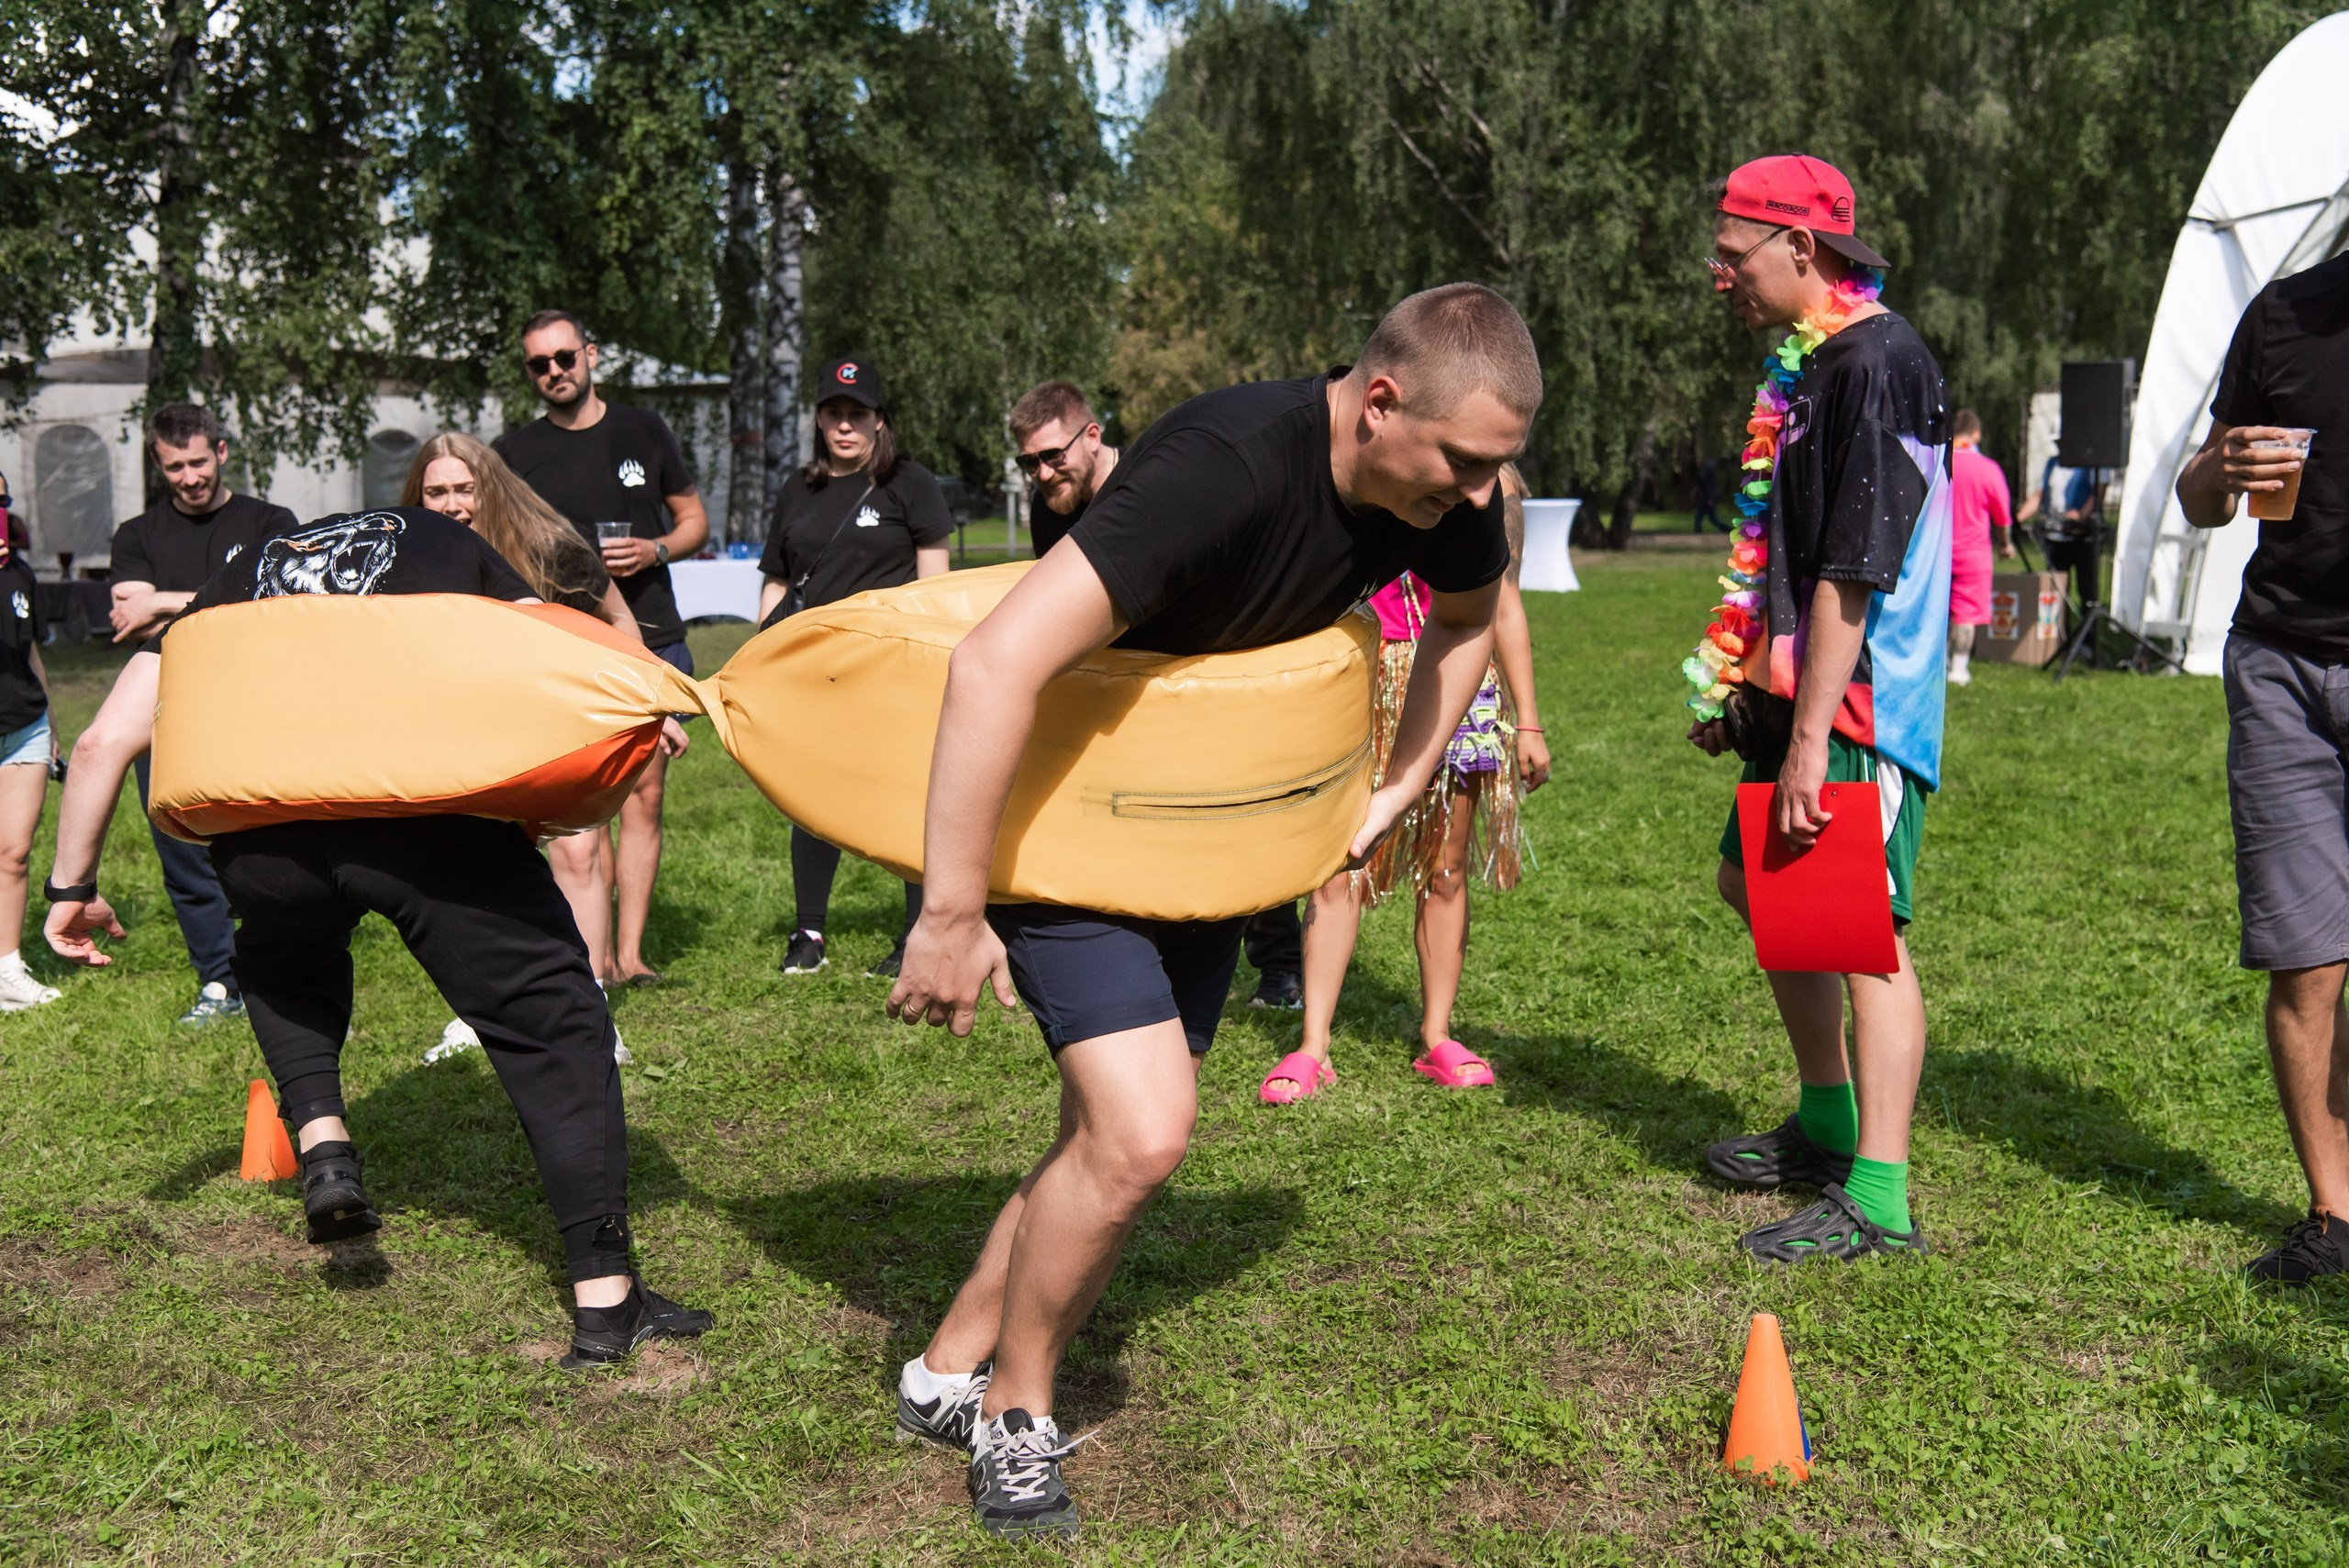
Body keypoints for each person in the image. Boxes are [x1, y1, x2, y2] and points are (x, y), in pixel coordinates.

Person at [885, 284, 1539, 1540]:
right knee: (1142, 1135)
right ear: (1382, 400)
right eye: (1463, 462)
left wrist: (1394, 787)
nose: (1472, 496)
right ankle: (1015, 1413)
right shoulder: (1220, 469)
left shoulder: (1447, 491)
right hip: (1065, 824)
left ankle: (945, 1368)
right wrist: (950, 911)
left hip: (1202, 838)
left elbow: (1463, 621)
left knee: (1104, 1136)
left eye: (1493, 471)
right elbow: (994, 660)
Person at [42, 506, 715, 1365]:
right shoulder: (445, 542)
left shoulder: (240, 572)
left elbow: (102, 741)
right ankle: (606, 1301)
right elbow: (541, 650)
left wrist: (72, 888)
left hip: (262, 837)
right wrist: (636, 698)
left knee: (284, 957)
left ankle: (323, 1143)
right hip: (419, 817)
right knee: (558, 1025)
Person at [1687, 154, 1950, 1264]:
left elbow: (1852, 569)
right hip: (1799, 693)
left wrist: (1808, 740)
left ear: (1802, 246)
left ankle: (1878, 1194)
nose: (1720, 276)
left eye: (1733, 253)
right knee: (1757, 880)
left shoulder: (1878, 362)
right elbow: (1785, 546)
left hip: (1859, 707)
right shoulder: (1815, 360)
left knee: (1864, 934)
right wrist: (1739, 669)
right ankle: (1827, 1121)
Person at [1011, 378, 1308, 1008]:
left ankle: (1280, 965)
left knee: (1241, 819)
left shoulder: (1156, 483)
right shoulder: (1051, 510)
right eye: (1027, 462)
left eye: (1052, 455)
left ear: (1092, 436)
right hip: (1118, 686)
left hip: (1203, 680)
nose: (1041, 473)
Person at [399, 433, 688, 1062]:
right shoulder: (407, 554)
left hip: (555, 714)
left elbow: (614, 620)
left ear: (490, 488)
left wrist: (645, 697)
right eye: (436, 491)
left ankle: (590, 1012)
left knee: (578, 854)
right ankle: (478, 1014)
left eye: (464, 488)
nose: (451, 504)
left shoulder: (548, 547)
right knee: (473, 872)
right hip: (465, 728)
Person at [2175, 250, 2349, 1284]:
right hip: (2282, 664)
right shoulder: (2284, 312)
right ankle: (2334, 1216)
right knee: (2306, 957)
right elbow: (2202, 496)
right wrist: (2220, 473)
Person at [1272, 462, 1552, 1103]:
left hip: (1453, 674)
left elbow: (1502, 603)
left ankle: (1436, 1033)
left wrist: (1528, 722)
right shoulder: (1362, 463)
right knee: (1337, 866)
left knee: (1446, 865)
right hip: (1359, 678)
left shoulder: (1492, 486)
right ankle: (1314, 1042)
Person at [495, 310, 710, 988]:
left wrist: (655, 548)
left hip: (649, 633)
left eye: (564, 357)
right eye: (539, 364)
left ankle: (630, 954)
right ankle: (593, 953)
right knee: (587, 801)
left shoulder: (643, 430)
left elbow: (695, 519)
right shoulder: (513, 453)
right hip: (564, 647)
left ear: (591, 355)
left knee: (645, 797)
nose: (554, 371)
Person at [106, 404, 299, 1025]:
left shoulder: (272, 520)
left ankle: (286, 967)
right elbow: (127, 614)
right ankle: (220, 978)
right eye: (174, 467)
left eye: (197, 461)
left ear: (220, 450)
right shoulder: (137, 535)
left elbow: (278, 600)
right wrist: (224, 594)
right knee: (181, 846)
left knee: (268, 838)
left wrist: (165, 602)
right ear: (159, 466)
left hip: (255, 698)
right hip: (165, 704)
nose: (189, 477)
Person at [759, 358, 951, 980]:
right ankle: (809, 931)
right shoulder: (799, 487)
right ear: (819, 419)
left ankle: (916, 933)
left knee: (906, 796)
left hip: (893, 668)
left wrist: (931, 657)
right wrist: (764, 656)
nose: (845, 424)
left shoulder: (909, 484)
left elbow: (935, 583)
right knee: (813, 800)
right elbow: (779, 580)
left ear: (878, 420)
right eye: (834, 412)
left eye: (857, 413)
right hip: (814, 672)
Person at [0, 506, 59, 1010]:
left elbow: (30, 649)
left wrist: (52, 721)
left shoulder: (19, 572)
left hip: (25, 727)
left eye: (1, 503)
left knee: (14, 853)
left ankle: (6, 970)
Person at [1945, 410, 2015, 685]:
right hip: (1973, 553)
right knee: (1966, 612)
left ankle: (1937, 663)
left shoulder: (1939, 462)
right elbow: (2002, 516)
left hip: (1935, 552)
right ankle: (1958, 669)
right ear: (1975, 434)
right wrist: (2006, 545)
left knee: (1936, 610)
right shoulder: (1987, 468)